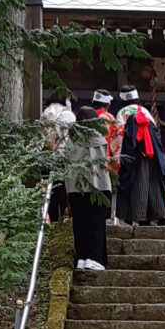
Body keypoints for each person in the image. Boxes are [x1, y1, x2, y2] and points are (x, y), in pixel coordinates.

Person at [64, 107, 112, 271]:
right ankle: (95, 257)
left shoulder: (71, 140)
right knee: (95, 223)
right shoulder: (99, 139)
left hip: (75, 188)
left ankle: (81, 258)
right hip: (97, 186)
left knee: (79, 223)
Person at [115, 84, 165, 226]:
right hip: (151, 153)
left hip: (132, 153)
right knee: (152, 183)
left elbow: (118, 138)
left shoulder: (122, 113)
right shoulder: (145, 112)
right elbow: (155, 135)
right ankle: (154, 217)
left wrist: (117, 160)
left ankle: (135, 217)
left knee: (134, 184)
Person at [41, 93, 76, 222]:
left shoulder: (45, 113)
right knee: (64, 193)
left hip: (46, 157)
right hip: (63, 158)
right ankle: (64, 223)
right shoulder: (68, 114)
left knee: (51, 195)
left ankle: (52, 220)